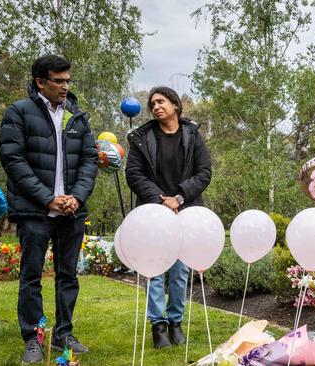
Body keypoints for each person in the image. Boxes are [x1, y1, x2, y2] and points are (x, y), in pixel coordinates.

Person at [0, 55, 98, 363]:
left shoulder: (77, 116)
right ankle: (33, 338)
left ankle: (63, 334)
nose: (66, 86)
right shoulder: (19, 112)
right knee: (31, 276)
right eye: (59, 80)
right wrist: (47, 197)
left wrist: (77, 198)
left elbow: (89, 160)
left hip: (72, 212)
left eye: (68, 80)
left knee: (68, 276)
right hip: (35, 211)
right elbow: (13, 160)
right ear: (41, 82)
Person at [125, 86, 212, 349]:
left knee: (179, 271)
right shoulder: (142, 137)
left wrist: (179, 198)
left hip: (185, 211)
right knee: (155, 268)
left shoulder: (192, 134)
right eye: (152, 104)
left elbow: (204, 172)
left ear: (175, 105)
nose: (155, 107)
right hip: (153, 212)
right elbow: (134, 174)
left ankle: (175, 323)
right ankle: (158, 325)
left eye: (161, 101)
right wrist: (160, 199)